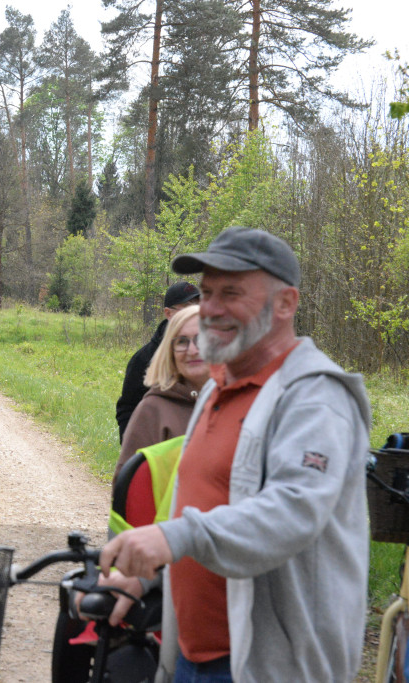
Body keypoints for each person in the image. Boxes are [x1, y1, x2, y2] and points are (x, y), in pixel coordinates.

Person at [98, 227, 371, 682]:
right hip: (189, 655)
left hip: (265, 666)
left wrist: (172, 538)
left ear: (286, 303)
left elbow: (293, 510)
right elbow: (209, 509)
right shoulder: (215, 390)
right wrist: (151, 576)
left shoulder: (315, 399)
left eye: (231, 293)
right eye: (206, 293)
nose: (212, 309)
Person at [114, 305, 209, 485]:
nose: (192, 350)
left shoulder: (236, 404)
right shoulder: (153, 410)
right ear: (170, 352)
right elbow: (129, 491)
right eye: (181, 341)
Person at [115, 281, 200, 442]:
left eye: (198, 307)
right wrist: (136, 456)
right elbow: (127, 409)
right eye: (188, 308)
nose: (195, 314)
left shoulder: (209, 353)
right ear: (168, 313)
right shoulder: (143, 359)